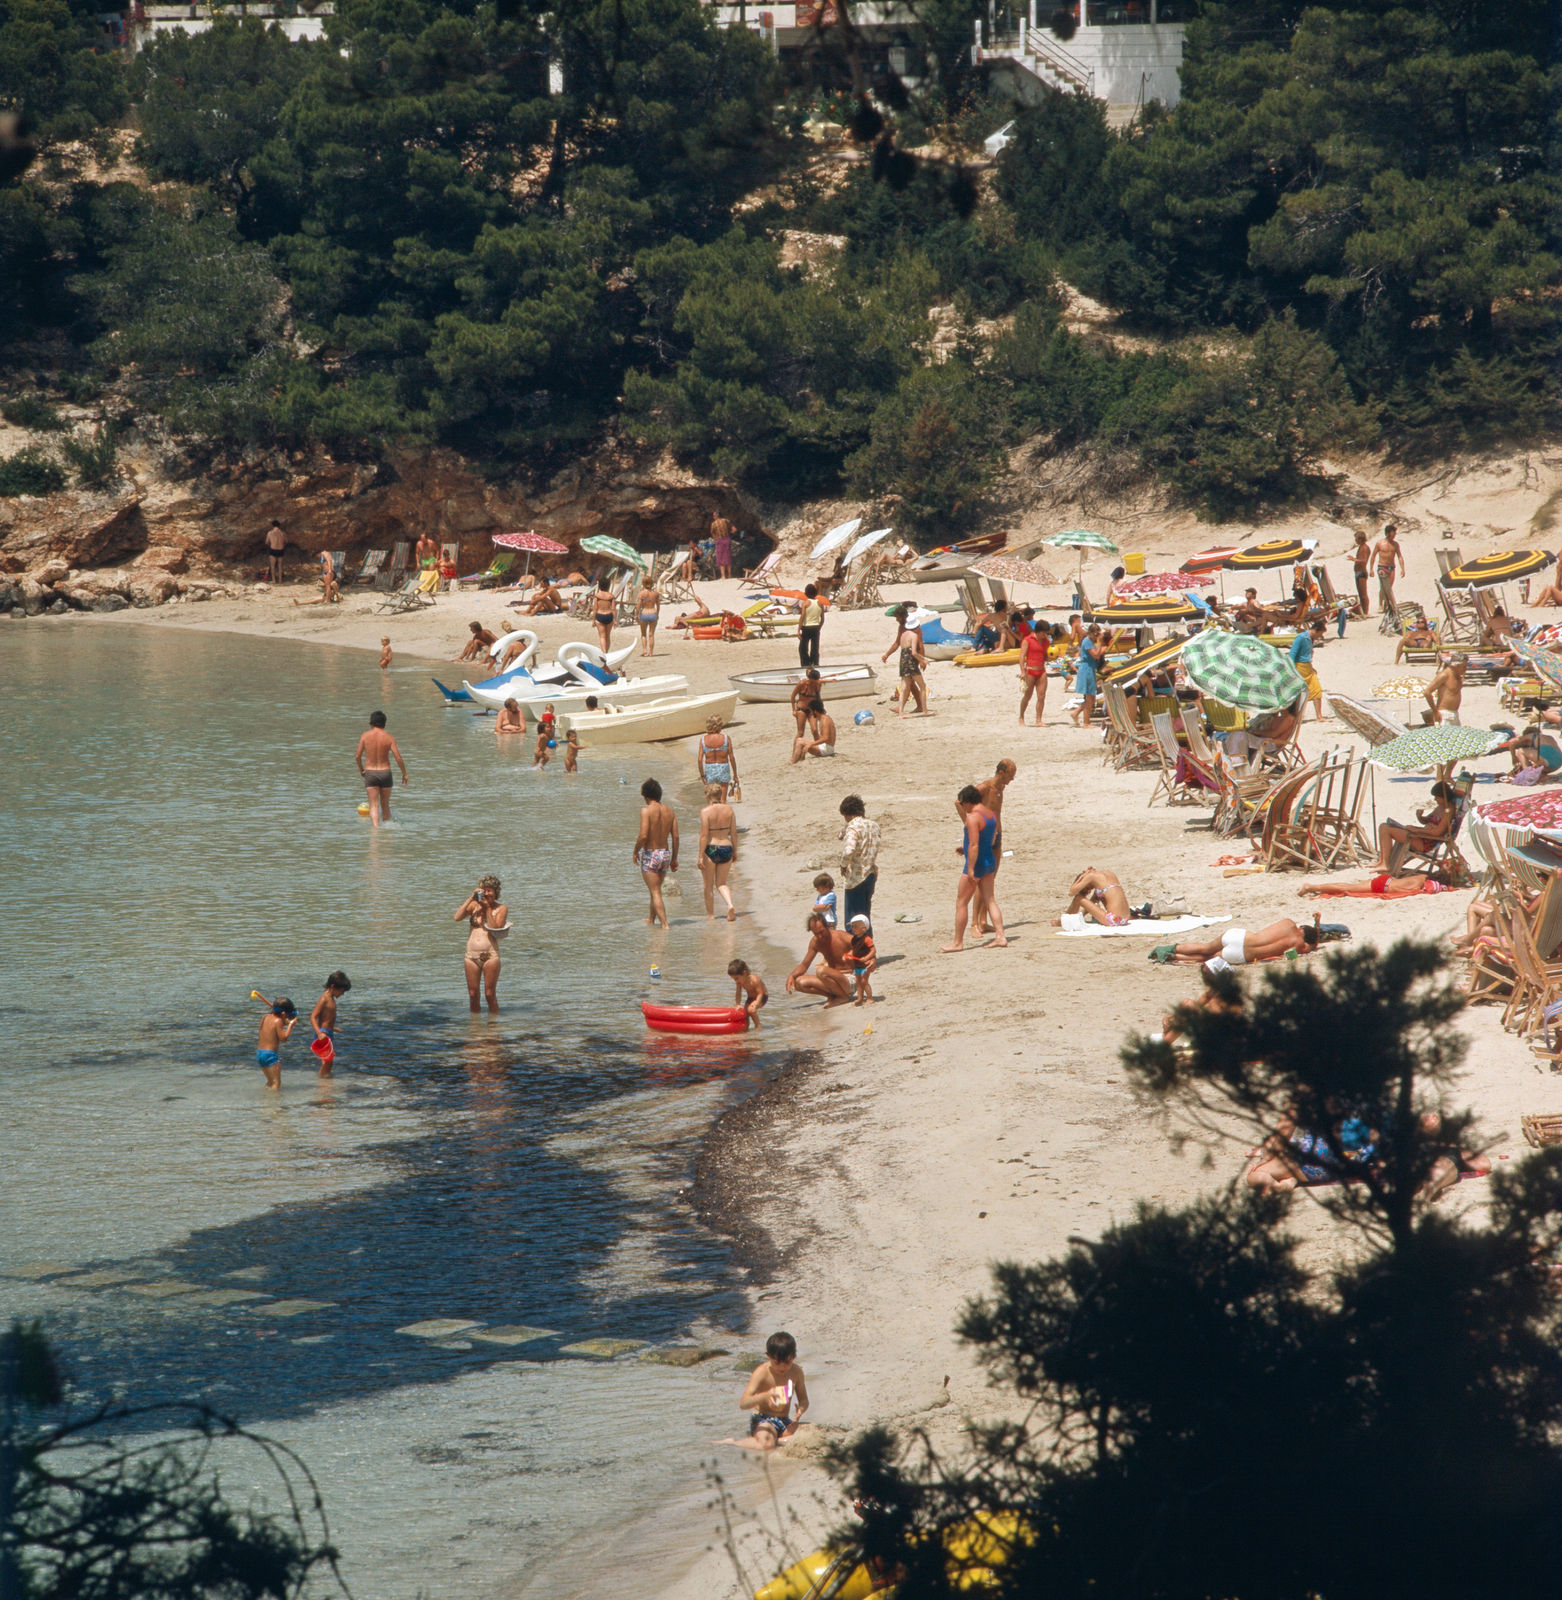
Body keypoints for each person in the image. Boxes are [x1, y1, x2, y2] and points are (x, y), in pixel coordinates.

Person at [943, 784, 1006, 951]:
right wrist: (964, 849)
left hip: (977, 864)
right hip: (989, 862)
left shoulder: (972, 817)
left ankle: (957, 942)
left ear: (968, 802)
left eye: (963, 804)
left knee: (961, 902)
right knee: (990, 900)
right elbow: (990, 841)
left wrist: (970, 868)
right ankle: (1000, 936)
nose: (963, 807)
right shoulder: (991, 815)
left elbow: (974, 845)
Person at [736, 1332, 808, 1450]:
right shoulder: (762, 1372)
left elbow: (804, 1400)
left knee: (815, 1431)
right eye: (777, 1362)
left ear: (794, 1356)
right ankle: (733, 1442)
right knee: (766, 1444)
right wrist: (766, 1395)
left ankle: (779, 1440)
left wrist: (801, 1410)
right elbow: (743, 1403)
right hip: (763, 1419)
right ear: (768, 1356)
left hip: (784, 1420)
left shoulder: (796, 1372)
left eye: (787, 1362)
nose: (782, 1367)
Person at [968, 759, 1016, 935]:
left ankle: (983, 920)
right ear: (1001, 773)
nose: (1012, 779)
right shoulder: (984, 788)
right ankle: (974, 923)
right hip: (983, 836)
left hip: (997, 835)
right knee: (980, 879)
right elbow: (961, 802)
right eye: (1010, 775)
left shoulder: (1001, 788)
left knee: (990, 879)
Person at [1373, 780, 1457, 872]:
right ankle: (1381, 861)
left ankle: (1385, 864)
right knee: (1383, 826)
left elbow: (1437, 832)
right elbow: (1426, 821)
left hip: (1425, 842)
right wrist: (1419, 816)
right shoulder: (1440, 807)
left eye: (1437, 797)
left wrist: (1416, 830)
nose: (1435, 799)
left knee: (1387, 830)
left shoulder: (1449, 811)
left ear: (1443, 796)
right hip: (1420, 836)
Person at [1173, 915, 1323, 966]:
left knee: (1205, 948)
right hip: (1241, 954)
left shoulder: (1288, 923)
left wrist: (1315, 923)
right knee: (1207, 958)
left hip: (1239, 936)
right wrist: (1317, 928)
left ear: (1301, 927)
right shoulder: (1299, 947)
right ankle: (1172, 956)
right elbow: (1313, 946)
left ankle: (1172, 948)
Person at [455, 875, 510, 1013]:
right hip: (471, 956)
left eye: (489, 890)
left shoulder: (501, 908)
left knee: (489, 994)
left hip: (490, 956)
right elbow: (457, 917)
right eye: (483, 890)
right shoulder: (474, 906)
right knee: (473, 995)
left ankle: (494, 1027)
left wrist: (487, 909)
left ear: (496, 892)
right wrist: (471, 898)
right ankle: (475, 1029)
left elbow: (496, 928)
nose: (486, 894)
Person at [634, 778, 678, 928]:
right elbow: (676, 837)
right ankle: (652, 919)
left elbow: (644, 835)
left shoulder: (646, 811)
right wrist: (674, 859)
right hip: (665, 854)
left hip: (651, 854)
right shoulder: (670, 812)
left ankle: (665, 924)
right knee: (655, 890)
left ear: (646, 796)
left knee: (655, 891)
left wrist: (635, 851)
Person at [355, 710, 409, 827]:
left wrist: (361, 769)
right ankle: (387, 831)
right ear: (384, 723)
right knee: (385, 804)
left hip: (370, 773)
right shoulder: (389, 738)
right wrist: (404, 773)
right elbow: (398, 757)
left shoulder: (365, 736)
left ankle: (375, 830)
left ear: (371, 723)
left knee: (373, 805)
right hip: (385, 773)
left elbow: (357, 756)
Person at [787, 911, 854, 1003]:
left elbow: (865, 946)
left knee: (821, 970)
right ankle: (831, 996)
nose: (820, 936)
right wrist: (792, 975)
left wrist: (855, 955)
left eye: (821, 932)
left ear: (827, 926)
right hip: (832, 981)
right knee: (798, 982)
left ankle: (843, 997)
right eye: (816, 934)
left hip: (849, 980)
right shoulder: (815, 943)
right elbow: (804, 965)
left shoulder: (841, 936)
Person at [838, 796, 880, 929]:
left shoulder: (853, 827)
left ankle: (856, 949)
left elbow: (849, 850)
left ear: (847, 814)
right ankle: (868, 947)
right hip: (870, 874)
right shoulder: (874, 826)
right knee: (865, 917)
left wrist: (843, 865)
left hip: (856, 877)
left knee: (853, 921)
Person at [698, 782, 738, 921]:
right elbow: (734, 833)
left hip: (711, 848)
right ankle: (730, 905)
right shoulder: (729, 810)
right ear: (720, 795)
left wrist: (700, 856)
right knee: (722, 883)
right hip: (727, 847)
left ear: (707, 795)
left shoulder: (705, 812)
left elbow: (704, 835)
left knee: (708, 885)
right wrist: (735, 852)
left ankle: (710, 916)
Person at [883, 609, 932, 718]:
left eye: (897, 617)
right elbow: (914, 650)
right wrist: (923, 660)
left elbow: (919, 645)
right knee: (920, 685)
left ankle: (903, 711)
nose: (896, 619)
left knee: (906, 686)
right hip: (911, 659)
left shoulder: (907, 632)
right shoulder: (909, 632)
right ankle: (923, 709)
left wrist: (921, 660)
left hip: (904, 659)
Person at [1053, 866, 1138, 927]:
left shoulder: (1091, 876)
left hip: (1114, 920)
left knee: (1078, 898)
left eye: (1086, 888)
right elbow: (1091, 903)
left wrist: (1083, 876)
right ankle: (1067, 919)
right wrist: (1081, 915)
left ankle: (1063, 921)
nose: (1089, 890)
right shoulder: (1109, 874)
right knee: (1091, 898)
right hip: (1125, 918)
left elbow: (1071, 892)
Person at [308, 971, 351, 1078]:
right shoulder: (324, 999)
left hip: (328, 1032)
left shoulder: (331, 998)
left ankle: (325, 1081)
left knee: (328, 1061)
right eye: (341, 991)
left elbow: (326, 1019)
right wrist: (319, 1033)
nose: (342, 994)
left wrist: (333, 1028)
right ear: (333, 986)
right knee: (328, 1061)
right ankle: (322, 1082)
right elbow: (313, 1017)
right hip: (323, 1033)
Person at [255, 997, 297, 1091]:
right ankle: (274, 1104)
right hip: (270, 1055)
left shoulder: (265, 1017)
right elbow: (283, 1038)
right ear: (283, 1014)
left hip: (260, 1053)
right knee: (276, 1083)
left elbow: (269, 1029)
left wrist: (284, 1023)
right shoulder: (278, 1021)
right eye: (287, 1016)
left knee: (270, 1081)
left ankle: (266, 1101)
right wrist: (290, 1025)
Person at [1068, 625, 1105, 728]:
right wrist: (1101, 643)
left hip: (1089, 669)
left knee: (1092, 698)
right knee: (1089, 697)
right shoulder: (1087, 641)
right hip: (1086, 669)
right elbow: (1096, 655)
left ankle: (1076, 713)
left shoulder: (1090, 641)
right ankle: (1086, 723)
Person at [696, 714, 738, 801]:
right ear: (719, 725)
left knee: (712, 800)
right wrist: (735, 775)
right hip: (723, 768)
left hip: (710, 769)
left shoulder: (703, 740)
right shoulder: (726, 738)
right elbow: (732, 758)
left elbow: (700, 760)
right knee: (722, 800)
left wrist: (702, 776)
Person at [1289, 620, 1325, 720]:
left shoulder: (1310, 639)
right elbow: (1292, 655)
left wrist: (1312, 668)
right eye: (1320, 634)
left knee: (1317, 690)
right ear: (1316, 630)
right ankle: (1296, 716)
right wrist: (1292, 670)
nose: (1320, 636)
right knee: (1299, 693)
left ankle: (1319, 716)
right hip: (1299, 668)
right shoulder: (1301, 638)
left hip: (1308, 667)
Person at [1018, 621, 1049, 725]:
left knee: (1041, 696)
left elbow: (1044, 655)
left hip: (1041, 671)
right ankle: (1021, 716)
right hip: (1030, 671)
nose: (1044, 635)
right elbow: (1022, 656)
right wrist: (1022, 671)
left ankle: (1038, 720)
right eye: (1043, 632)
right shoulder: (1027, 640)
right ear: (1038, 631)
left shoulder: (1046, 641)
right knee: (1028, 696)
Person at [1424, 655, 1465, 725]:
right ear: (1456, 665)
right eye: (1464, 666)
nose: (1465, 669)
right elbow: (1427, 692)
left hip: (1455, 713)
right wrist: (1435, 711)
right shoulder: (1444, 675)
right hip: (1444, 714)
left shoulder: (1458, 675)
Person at [1374, 524, 1405, 615]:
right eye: (1393, 533)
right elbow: (1373, 555)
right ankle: (1380, 604)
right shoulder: (1380, 543)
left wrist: (1402, 568)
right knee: (1383, 587)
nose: (1395, 534)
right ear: (1388, 533)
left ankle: (1386, 604)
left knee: (1389, 587)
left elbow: (1399, 556)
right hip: (1382, 566)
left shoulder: (1395, 544)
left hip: (1391, 567)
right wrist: (1371, 568)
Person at [728, 959, 768, 1029]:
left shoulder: (755, 980)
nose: (735, 981)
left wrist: (757, 1003)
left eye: (737, 978)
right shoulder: (739, 982)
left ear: (744, 973)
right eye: (734, 979)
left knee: (751, 1010)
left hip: (762, 997)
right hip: (750, 998)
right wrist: (738, 1004)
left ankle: (758, 1026)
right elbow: (738, 993)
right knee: (745, 1014)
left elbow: (760, 993)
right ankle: (746, 1029)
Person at [847, 914, 876, 1006]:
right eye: (852, 927)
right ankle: (859, 998)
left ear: (863, 928)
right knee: (859, 982)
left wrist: (867, 958)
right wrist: (850, 955)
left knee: (864, 981)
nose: (853, 929)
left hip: (865, 965)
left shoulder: (867, 939)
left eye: (855, 927)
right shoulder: (854, 939)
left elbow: (873, 950)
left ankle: (869, 998)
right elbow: (854, 949)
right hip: (857, 964)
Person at [791, 669, 825, 738]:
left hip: (812, 710)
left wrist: (821, 708)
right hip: (801, 709)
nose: (815, 683)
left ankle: (819, 747)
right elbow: (793, 696)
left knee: (815, 731)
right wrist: (793, 710)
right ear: (810, 679)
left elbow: (818, 697)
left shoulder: (817, 684)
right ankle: (796, 748)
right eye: (814, 681)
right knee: (800, 733)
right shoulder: (802, 684)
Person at [798, 583, 824, 669]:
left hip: (806, 628)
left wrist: (798, 630)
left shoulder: (805, 604)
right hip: (816, 627)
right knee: (815, 648)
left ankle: (806, 665)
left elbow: (802, 616)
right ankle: (815, 664)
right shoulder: (820, 603)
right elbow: (822, 618)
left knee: (803, 648)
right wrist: (819, 627)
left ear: (806, 593)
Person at [637, 575, 660, 658]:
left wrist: (636, 615)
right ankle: (651, 652)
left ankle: (644, 650)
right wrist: (657, 614)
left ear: (643, 583)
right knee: (651, 634)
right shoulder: (656, 594)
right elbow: (658, 606)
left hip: (644, 613)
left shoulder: (642, 593)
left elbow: (638, 606)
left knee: (643, 634)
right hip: (653, 613)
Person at [593, 570, 616, 652]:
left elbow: (595, 609)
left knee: (602, 636)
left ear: (599, 586)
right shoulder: (611, 596)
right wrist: (615, 620)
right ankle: (607, 651)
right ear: (608, 586)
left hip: (600, 616)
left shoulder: (597, 596)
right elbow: (613, 609)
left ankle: (604, 652)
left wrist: (593, 620)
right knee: (607, 636)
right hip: (609, 616)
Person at [1352, 530, 1372, 616]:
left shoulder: (1364, 548)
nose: (1355, 540)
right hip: (1358, 572)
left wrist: (1354, 559)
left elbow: (1364, 561)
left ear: (1360, 539)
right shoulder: (1361, 547)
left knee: (1363, 594)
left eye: (1356, 539)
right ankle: (1363, 611)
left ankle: (1366, 612)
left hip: (1362, 572)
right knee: (1360, 594)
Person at [711, 513, 735, 580]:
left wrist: (716, 538)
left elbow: (713, 534)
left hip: (720, 540)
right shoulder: (726, 520)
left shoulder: (714, 524)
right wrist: (729, 533)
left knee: (721, 558)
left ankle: (723, 576)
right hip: (727, 539)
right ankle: (730, 575)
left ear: (715, 516)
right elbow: (734, 529)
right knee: (728, 556)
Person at [264, 520, 286, 584]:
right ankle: (280, 580)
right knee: (280, 566)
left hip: (273, 550)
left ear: (272, 526)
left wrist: (271, 544)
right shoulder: (282, 533)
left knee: (273, 566)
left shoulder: (270, 533)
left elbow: (266, 542)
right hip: (281, 550)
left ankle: (274, 580)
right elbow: (286, 541)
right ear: (279, 526)